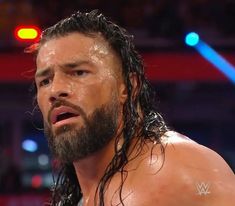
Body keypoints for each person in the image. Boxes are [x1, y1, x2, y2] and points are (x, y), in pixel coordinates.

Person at [31, 10, 235, 206]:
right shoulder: (77, 197)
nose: (55, 90)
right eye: (45, 81)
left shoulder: (183, 169)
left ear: (128, 87)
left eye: (78, 73)